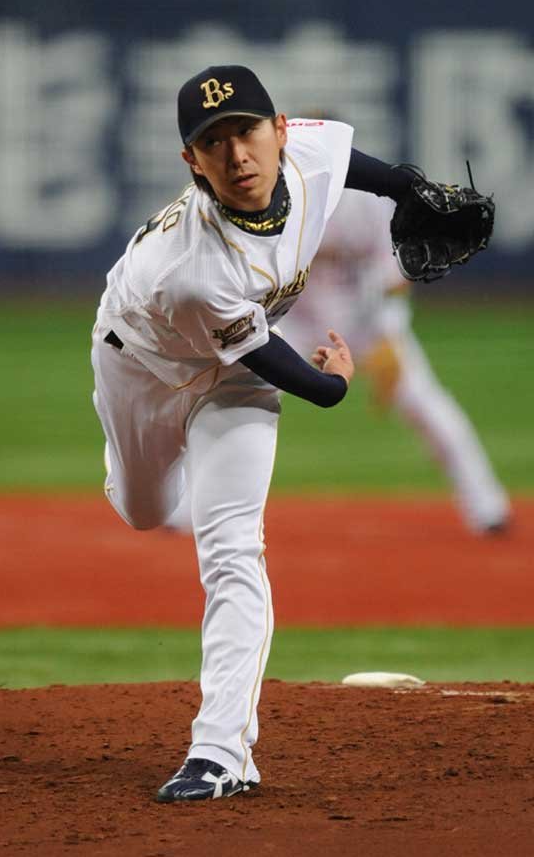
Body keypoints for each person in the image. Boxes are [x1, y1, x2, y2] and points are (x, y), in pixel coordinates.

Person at [90, 65, 446, 803]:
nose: (237, 155)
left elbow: (352, 163)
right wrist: (335, 383)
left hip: (234, 378)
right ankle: (143, 468)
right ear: (191, 161)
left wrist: (409, 188)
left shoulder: (306, 152)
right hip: (142, 366)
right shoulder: (191, 268)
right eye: (212, 143)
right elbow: (291, 371)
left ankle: (220, 753)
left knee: (232, 549)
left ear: (280, 131)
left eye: (247, 131)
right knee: (145, 511)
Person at [278, 188, 511, 534]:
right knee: (244, 393)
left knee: (427, 404)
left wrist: (388, 334)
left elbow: (397, 273)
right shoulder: (287, 191)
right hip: (295, 322)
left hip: (366, 323)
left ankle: (488, 507)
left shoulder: (370, 199)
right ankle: (202, 511)